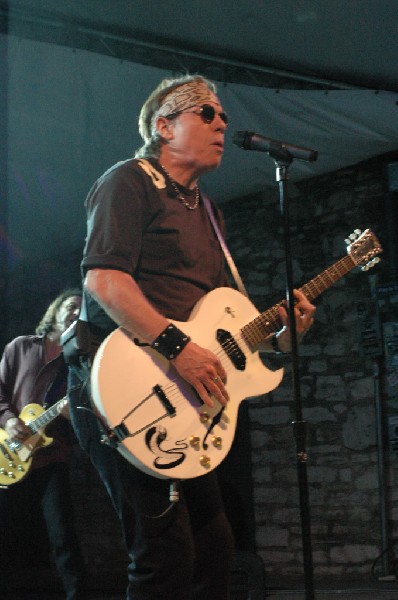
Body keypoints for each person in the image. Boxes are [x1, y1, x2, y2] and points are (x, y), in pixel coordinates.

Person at [66, 74, 316, 599]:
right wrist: (177, 348)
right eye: (207, 113)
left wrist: (281, 336)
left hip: (183, 396)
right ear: (164, 126)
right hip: (119, 385)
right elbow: (104, 279)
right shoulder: (128, 181)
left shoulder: (208, 212)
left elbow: (223, 326)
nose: (222, 122)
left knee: (215, 545)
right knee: (162, 552)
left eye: (223, 115)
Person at [0, 289, 85, 600]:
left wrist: (70, 413)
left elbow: (87, 416)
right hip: (7, 456)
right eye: (71, 305)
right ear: (55, 310)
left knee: (63, 537)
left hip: (52, 457)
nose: (76, 311)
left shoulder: (77, 363)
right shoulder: (20, 347)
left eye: (81, 308)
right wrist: (8, 420)